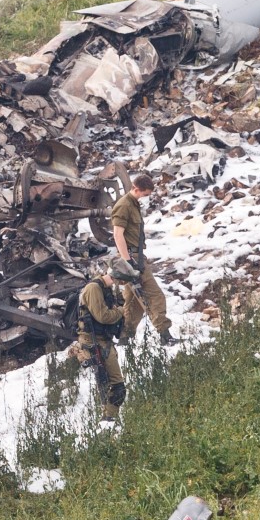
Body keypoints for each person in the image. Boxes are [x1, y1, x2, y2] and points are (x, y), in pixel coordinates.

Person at [111, 173, 178, 345]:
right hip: (131, 259)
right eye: (145, 194)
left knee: (133, 302)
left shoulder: (133, 204)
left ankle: (125, 339)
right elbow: (118, 235)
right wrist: (129, 262)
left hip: (136, 257)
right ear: (136, 189)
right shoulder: (124, 205)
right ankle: (165, 335)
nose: (146, 198)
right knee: (155, 296)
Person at [76, 257, 137, 420]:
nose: (123, 286)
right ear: (117, 278)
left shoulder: (106, 288)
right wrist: (120, 311)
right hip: (93, 342)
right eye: (123, 282)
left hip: (104, 340)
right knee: (115, 388)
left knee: (114, 387)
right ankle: (108, 421)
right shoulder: (94, 289)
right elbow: (103, 316)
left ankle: (109, 419)